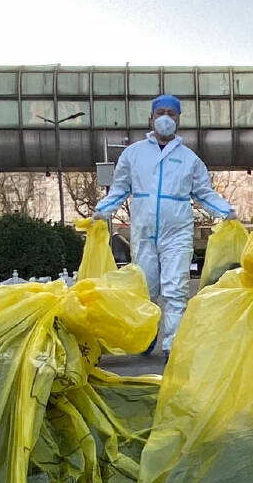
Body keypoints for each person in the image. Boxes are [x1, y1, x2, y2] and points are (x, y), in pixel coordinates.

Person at [93, 95, 237, 356]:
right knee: (145, 288)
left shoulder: (189, 159)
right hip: (143, 232)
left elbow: (203, 193)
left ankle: (173, 345)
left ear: (179, 120)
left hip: (177, 233)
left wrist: (226, 211)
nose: (165, 118)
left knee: (176, 288)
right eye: (161, 113)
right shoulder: (133, 154)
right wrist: (102, 210)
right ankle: (147, 336)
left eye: (172, 113)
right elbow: (120, 188)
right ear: (151, 118)